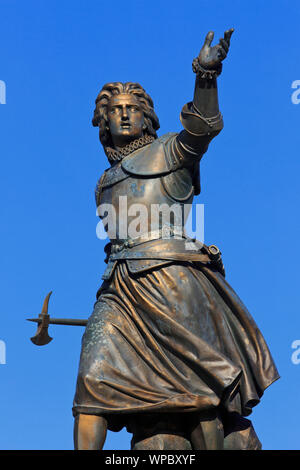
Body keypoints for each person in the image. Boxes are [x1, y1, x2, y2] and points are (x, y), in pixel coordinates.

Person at [73, 29, 279, 450]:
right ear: (103, 121)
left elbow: (203, 127)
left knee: (198, 397)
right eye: (117, 110)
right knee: (91, 382)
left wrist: (206, 73)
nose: (125, 115)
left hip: (174, 284)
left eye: (133, 109)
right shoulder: (104, 181)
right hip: (120, 290)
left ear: (147, 118)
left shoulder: (170, 152)